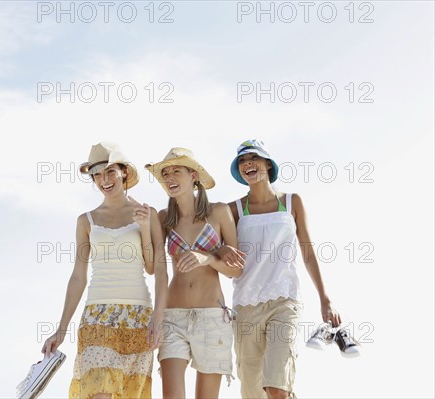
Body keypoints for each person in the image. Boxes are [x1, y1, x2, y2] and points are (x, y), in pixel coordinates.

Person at [42, 142, 168, 399]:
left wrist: (158, 317)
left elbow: (156, 269)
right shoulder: (86, 220)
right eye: (96, 175)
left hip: (137, 315)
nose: (104, 180)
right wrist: (61, 328)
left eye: (109, 171)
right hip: (97, 316)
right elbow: (78, 276)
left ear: (123, 171)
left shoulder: (148, 213)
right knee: (100, 393)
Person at [221, 139, 342, 399]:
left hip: (284, 302)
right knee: (252, 391)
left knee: (277, 386)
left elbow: (308, 252)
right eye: (242, 161)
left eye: (253, 158)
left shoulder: (291, 202)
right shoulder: (233, 210)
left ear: (268, 164)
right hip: (245, 306)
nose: (247, 164)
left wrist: (325, 299)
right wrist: (220, 252)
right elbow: (222, 255)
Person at [145, 147, 246, 399]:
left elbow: (236, 271)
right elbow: (154, 267)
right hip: (173, 316)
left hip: (212, 317)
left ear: (193, 176)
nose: (169, 177)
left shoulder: (219, 212)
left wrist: (207, 258)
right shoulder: (164, 217)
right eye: (165, 173)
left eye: (176, 171)